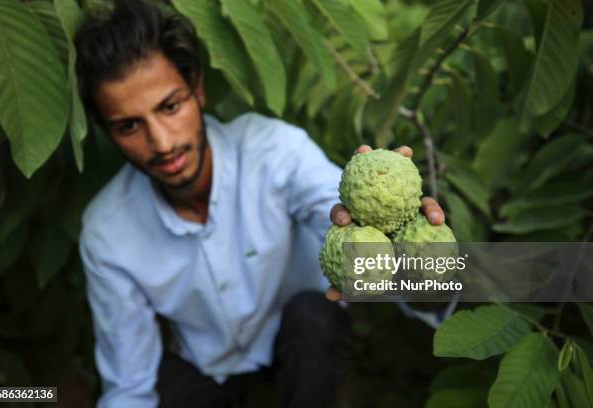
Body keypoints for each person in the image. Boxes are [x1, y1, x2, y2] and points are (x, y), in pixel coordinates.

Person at [74, 1, 446, 407]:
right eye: (129, 125)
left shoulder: (274, 152)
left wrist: (420, 277)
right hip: (206, 366)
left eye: (170, 106)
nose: (162, 143)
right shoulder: (107, 232)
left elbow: (343, 220)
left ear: (197, 88)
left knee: (314, 319)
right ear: (107, 132)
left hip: (299, 346)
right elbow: (128, 384)